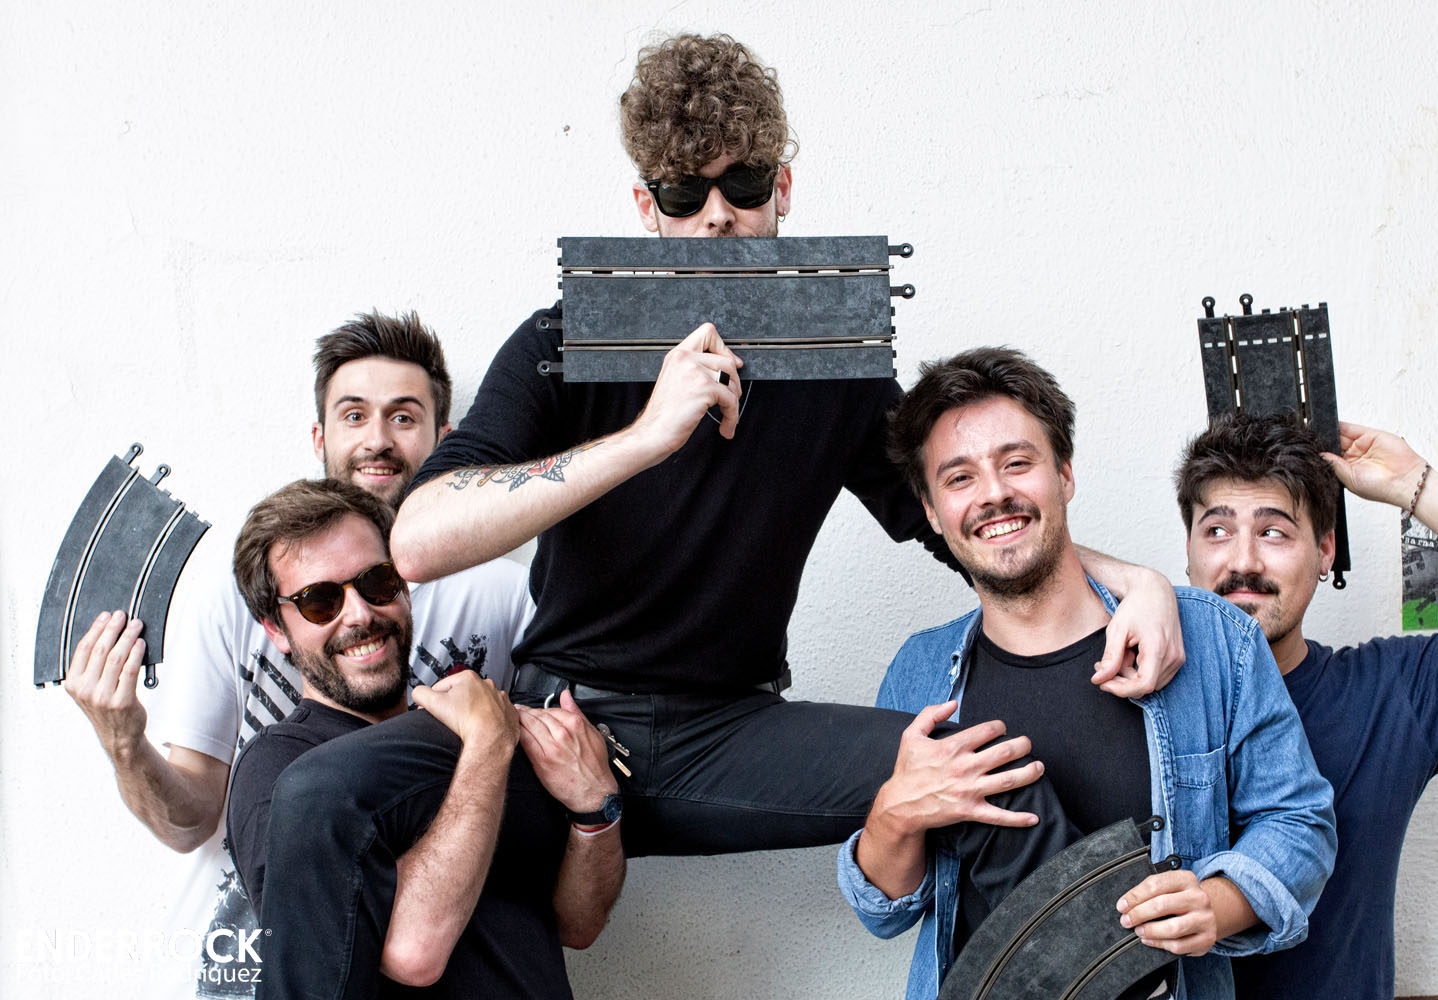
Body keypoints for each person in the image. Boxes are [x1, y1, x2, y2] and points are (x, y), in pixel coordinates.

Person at [251, 34, 1185, 999]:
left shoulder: (834, 362)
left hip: (728, 736)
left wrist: (1136, 583)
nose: (716, 217)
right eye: (682, 194)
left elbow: (966, 523)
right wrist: (649, 435)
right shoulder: (564, 340)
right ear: (643, 208)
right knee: (318, 792)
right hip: (563, 726)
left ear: (784, 188)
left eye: (741, 185)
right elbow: (417, 537)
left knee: (986, 769)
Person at [60, 310, 534, 998]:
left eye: (404, 417)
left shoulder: (505, 593)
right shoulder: (235, 589)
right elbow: (190, 821)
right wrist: (125, 743)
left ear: (444, 439)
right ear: (320, 436)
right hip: (245, 967)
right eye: (353, 415)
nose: (377, 439)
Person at [837, 348, 1336, 1000]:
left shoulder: (1214, 638)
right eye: (959, 478)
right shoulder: (920, 672)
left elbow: (1299, 825)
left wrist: (1217, 903)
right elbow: (885, 910)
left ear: (1065, 474)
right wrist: (891, 820)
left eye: (1017, 463)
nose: (994, 493)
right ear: (931, 511)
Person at [215, 477, 621, 996]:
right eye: (320, 601)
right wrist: (487, 746)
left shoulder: (469, 729)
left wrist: (596, 811)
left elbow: (577, 926)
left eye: (377, 581)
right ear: (276, 629)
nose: (360, 614)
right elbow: (411, 952)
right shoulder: (278, 768)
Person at [1175, 413, 1438, 1000]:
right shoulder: (1134, 692)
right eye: (1217, 530)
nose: (1243, 561)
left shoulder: (1391, 692)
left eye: (1274, 532)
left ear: (1325, 551)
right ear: (1189, 553)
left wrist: (1414, 484)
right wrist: (1131, 580)